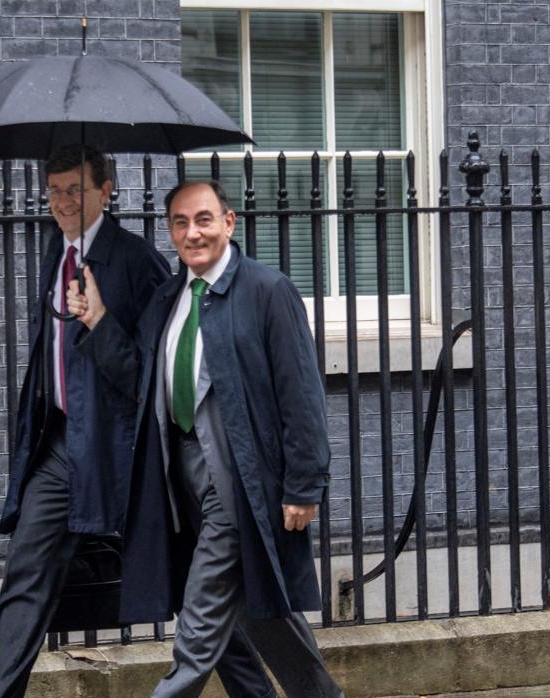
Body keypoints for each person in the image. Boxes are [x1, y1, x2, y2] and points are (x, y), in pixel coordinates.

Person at [0, 150, 275, 698]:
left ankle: (254, 692)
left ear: (106, 191)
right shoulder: (57, 250)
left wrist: (99, 321)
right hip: (60, 444)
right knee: (25, 578)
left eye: (75, 190)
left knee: (191, 583)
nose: (63, 202)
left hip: (122, 452)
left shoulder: (136, 261)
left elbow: (152, 373)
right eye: (54, 191)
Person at [69, 180, 342, 697]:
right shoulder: (170, 297)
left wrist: (305, 484)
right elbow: (141, 379)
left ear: (229, 222)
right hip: (181, 476)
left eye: (203, 219)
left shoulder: (266, 290)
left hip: (240, 479)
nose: (192, 233)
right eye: (180, 223)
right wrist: (97, 319)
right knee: (262, 614)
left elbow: (301, 393)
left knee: (199, 619)